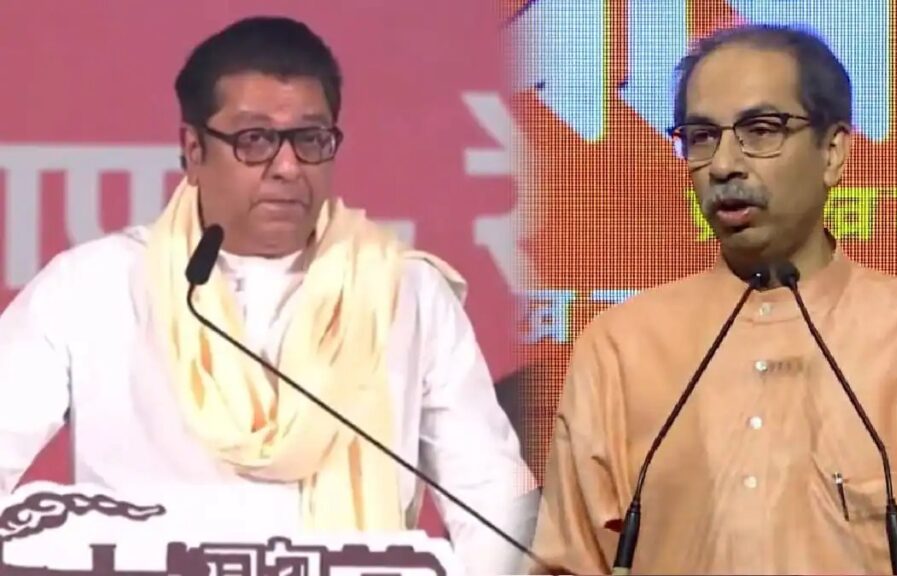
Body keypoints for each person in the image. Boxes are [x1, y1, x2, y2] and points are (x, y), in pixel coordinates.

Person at [0, 16, 536, 575]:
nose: (287, 168)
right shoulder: (92, 287)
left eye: (310, 139)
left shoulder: (404, 293)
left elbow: (495, 504)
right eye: (254, 140)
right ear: (193, 149)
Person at [527, 24, 897, 575]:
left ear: (833, 152)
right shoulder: (620, 348)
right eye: (701, 137)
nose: (723, 165)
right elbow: (566, 563)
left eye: (761, 131)